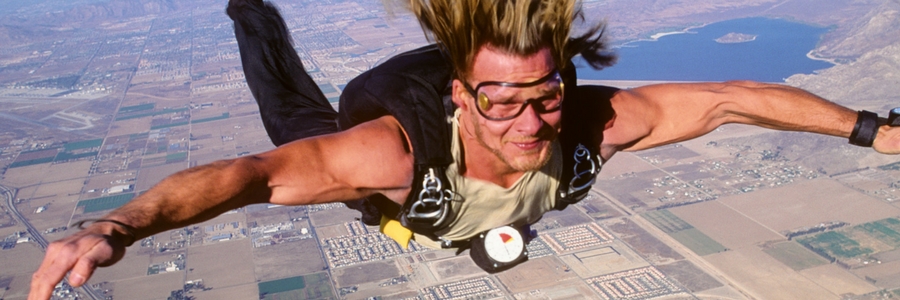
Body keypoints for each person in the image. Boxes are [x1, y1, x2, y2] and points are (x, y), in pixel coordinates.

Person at [29, 0, 900, 298]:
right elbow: (249, 179)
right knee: (289, 114)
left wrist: (874, 129)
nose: (529, 122)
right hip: (392, 120)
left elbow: (728, 99)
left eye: (545, 96)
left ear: (565, 84)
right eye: (503, 103)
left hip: (457, 171)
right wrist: (118, 225)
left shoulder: (589, 120)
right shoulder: (389, 159)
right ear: (465, 97)